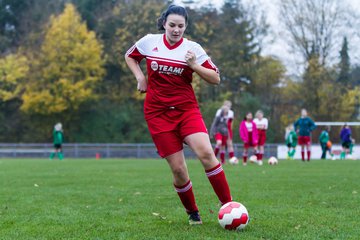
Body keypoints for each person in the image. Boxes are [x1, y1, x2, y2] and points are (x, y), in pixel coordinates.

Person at [125, 5, 232, 225]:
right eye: (172, 25)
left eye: (181, 26)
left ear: (185, 27)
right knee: (179, 170)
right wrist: (140, 78)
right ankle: (193, 214)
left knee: (206, 154)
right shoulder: (149, 42)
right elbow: (130, 56)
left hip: (186, 110)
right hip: (158, 114)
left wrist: (194, 65)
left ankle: (229, 207)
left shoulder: (193, 49)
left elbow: (215, 78)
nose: (176, 30)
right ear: (164, 23)